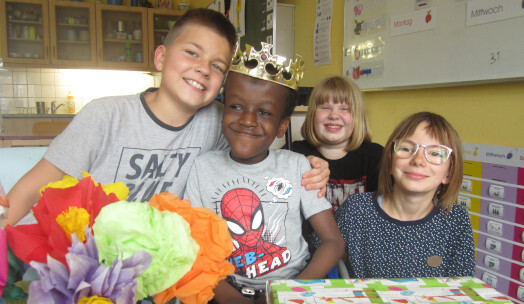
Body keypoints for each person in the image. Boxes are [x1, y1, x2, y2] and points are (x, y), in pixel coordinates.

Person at [4, 9, 329, 227]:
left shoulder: (220, 121)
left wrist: (313, 168)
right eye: (192, 52)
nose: (203, 68)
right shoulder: (105, 116)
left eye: (217, 66)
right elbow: (34, 189)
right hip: (97, 267)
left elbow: (260, 162)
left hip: (172, 269)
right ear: (161, 57)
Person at [184, 43, 344, 303]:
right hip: (224, 291)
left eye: (264, 112)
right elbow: (193, 249)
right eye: (235, 106)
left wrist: (285, 294)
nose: (247, 120)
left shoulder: (297, 167)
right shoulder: (202, 168)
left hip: (293, 291)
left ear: (282, 126)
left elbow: (333, 242)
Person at [333, 111, 475, 278]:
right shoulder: (357, 209)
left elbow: (462, 288)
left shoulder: (456, 220)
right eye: (407, 148)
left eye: (435, 153)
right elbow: (318, 249)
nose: (418, 160)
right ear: (390, 164)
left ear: (449, 173)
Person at [291, 76, 383, 212]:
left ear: (358, 117)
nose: (334, 115)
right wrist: (300, 162)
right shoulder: (294, 152)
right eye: (325, 107)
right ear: (312, 115)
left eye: (344, 109)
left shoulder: (376, 156)